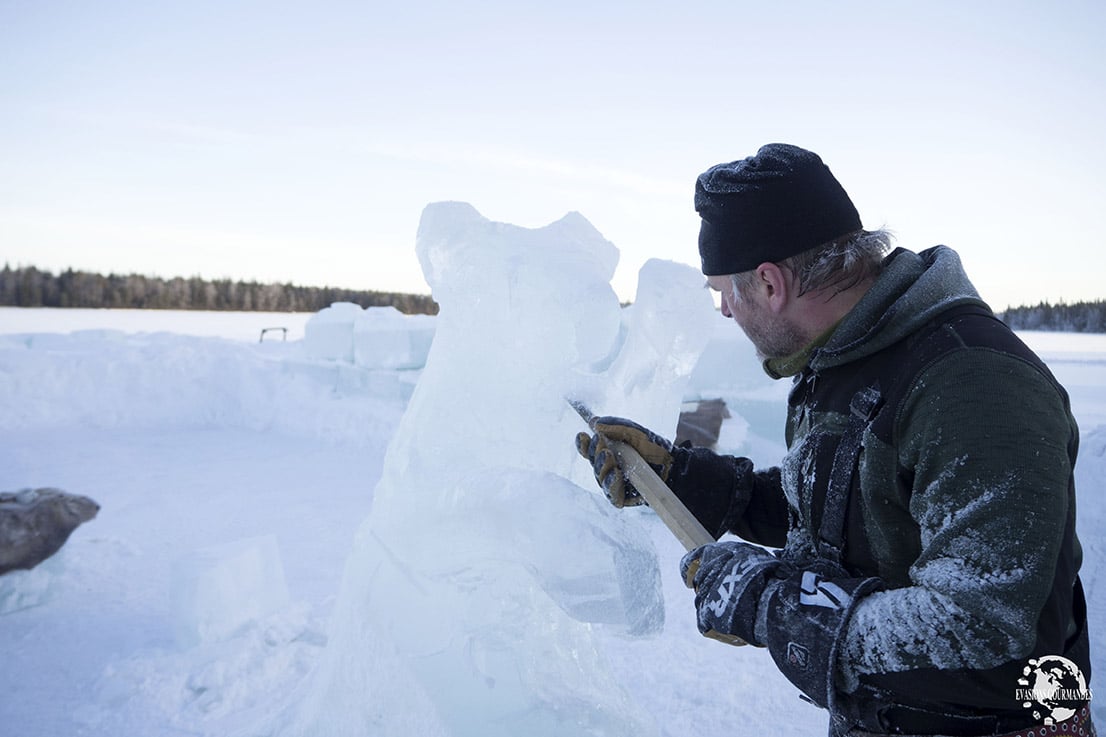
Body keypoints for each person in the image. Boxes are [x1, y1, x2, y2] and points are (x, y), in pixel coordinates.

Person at [576, 143, 1094, 737]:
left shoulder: (971, 382)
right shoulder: (850, 358)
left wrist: (774, 604)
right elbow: (847, 512)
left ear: (769, 283)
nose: (722, 312)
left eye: (722, 292)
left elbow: (977, 622)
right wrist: (682, 479)